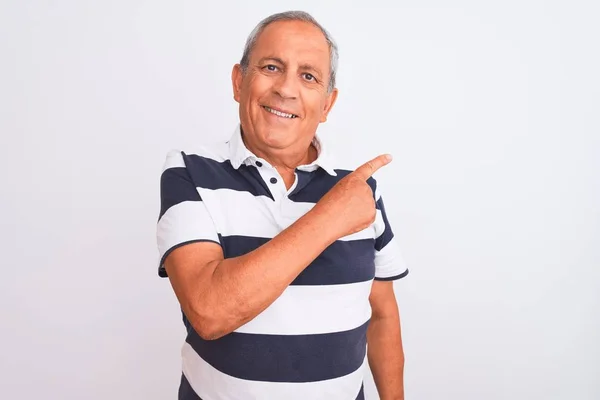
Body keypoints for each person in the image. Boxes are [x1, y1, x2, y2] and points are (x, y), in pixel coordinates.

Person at [156, 10, 409, 400]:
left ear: (327, 104)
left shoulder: (359, 189)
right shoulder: (188, 170)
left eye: (308, 76)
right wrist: (330, 218)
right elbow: (209, 311)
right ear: (239, 82)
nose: (287, 89)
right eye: (272, 67)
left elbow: (382, 315)